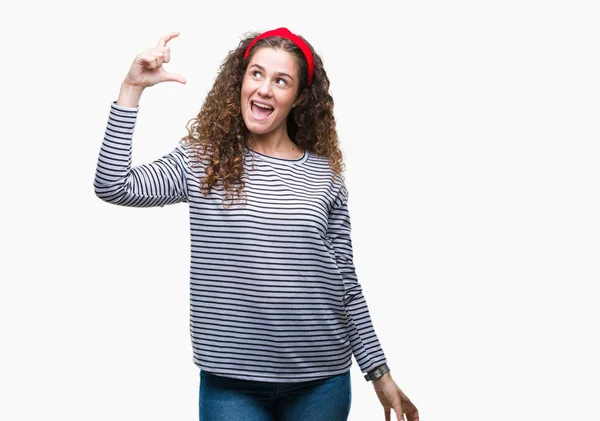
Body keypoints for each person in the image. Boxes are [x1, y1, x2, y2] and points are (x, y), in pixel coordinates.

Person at [94, 28, 419, 421]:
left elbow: (346, 282)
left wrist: (379, 372)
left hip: (322, 380)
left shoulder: (324, 176)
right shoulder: (201, 161)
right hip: (232, 384)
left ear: (298, 97)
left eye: (281, 81)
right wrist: (131, 88)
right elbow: (114, 185)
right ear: (241, 80)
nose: (265, 89)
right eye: (257, 74)